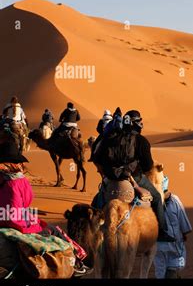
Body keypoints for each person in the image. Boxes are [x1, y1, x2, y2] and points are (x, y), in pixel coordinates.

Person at [0, 138, 91, 276]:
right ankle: (77, 262)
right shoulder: (17, 182)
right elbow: (13, 216)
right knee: (55, 230)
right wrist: (33, 225)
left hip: (11, 217)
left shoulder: (7, 180)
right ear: (16, 163)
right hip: (14, 223)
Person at [91, 109, 175, 242]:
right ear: (137, 123)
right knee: (158, 198)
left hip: (111, 177)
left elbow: (98, 158)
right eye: (140, 121)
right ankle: (162, 232)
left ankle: (91, 226)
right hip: (134, 177)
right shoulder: (141, 141)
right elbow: (148, 166)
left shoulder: (111, 137)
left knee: (98, 198)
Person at [154, 175, 192, 279]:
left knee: (160, 271)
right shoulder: (175, 200)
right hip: (173, 244)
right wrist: (184, 234)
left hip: (157, 246)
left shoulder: (151, 202)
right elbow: (183, 221)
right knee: (173, 267)